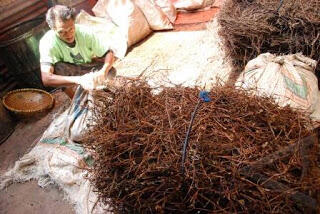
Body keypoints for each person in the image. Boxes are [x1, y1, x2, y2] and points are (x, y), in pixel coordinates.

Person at [39, 5, 116, 96]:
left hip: (88, 68)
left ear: (73, 21)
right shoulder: (47, 42)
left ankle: (102, 92)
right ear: (52, 28)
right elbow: (46, 79)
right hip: (69, 74)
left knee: (110, 70)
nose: (68, 35)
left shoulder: (85, 32)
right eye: (61, 32)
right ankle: (77, 99)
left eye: (71, 28)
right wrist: (79, 80)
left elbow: (109, 53)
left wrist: (103, 72)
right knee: (58, 68)